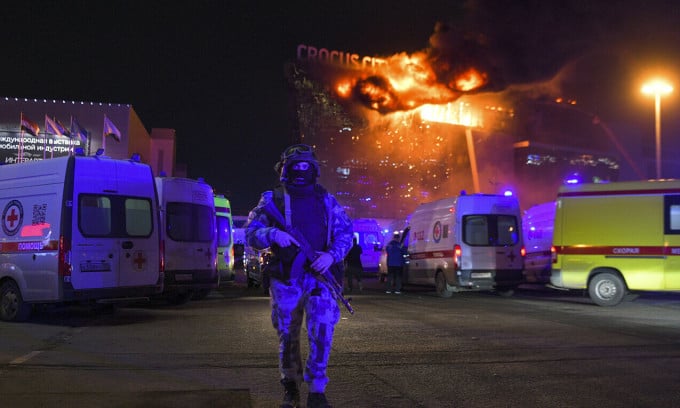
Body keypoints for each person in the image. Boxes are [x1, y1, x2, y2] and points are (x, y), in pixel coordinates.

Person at [245, 143, 353, 408]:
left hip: (319, 276)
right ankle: (290, 387)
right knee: (288, 335)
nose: (302, 170)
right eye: (296, 166)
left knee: (323, 330)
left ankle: (317, 390)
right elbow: (251, 232)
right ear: (286, 169)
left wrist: (331, 256)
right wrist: (273, 234)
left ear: (313, 169)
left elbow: (345, 233)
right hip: (286, 278)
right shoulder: (272, 199)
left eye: (306, 166)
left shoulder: (326, 200)